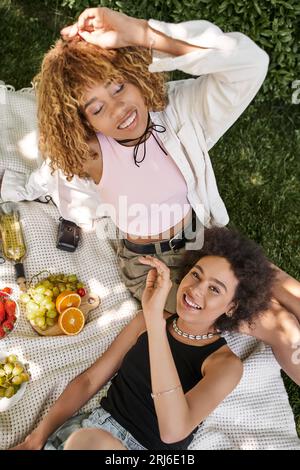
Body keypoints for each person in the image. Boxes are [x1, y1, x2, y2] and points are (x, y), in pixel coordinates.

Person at [1, 7, 299, 384]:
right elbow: (50, 176)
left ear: (135, 74)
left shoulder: (177, 113)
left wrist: (140, 32)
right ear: (84, 123)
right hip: (158, 269)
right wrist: (12, 187)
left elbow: (249, 62)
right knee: (280, 324)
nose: (119, 109)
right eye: (97, 108)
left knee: (291, 292)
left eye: (118, 86)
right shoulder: (91, 155)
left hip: (205, 240)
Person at [11, 227, 275, 450]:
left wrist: (155, 322)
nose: (194, 289)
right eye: (196, 274)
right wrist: (35, 439)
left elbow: (173, 431)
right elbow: (89, 380)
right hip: (85, 433)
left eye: (214, 289)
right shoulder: (143, 322)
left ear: (232, 307)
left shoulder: (225, 365)